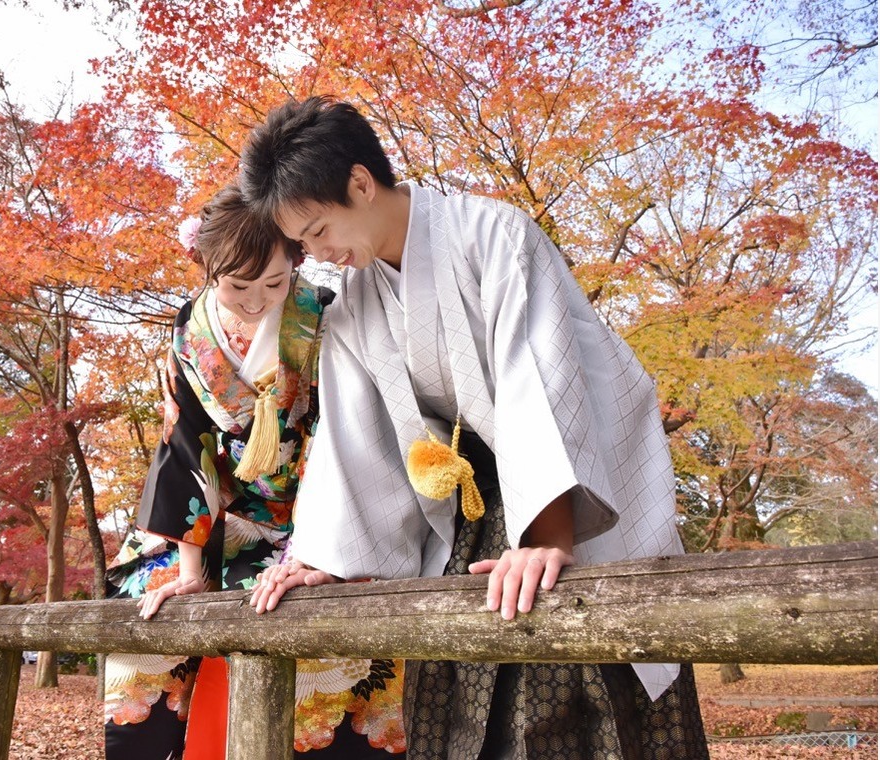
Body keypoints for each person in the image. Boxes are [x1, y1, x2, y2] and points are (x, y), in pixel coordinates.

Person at [242, 97, 710, 759]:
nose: (317, 254)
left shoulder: (495, 235)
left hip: (568, 490)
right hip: (476, 507)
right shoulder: (351, 308)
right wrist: (322, 558)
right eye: (303, 243)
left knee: (571, 686)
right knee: (450, 692)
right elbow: (353, 437)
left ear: (359, 182)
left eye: (318, 231)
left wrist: (547, 535)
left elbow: (535, 379)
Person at [103, 183, 406, 760]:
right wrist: (189, 567)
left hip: (312, 516)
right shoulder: (190, 331)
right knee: (147, 618)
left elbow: (337, 435)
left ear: (294, 261)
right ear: (206, 266)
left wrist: (312, 551)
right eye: (237, 285)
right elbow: (184, 442)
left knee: (327, 626)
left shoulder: (323, 315)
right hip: (211, 516)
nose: (254, 301)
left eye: (273, 283)